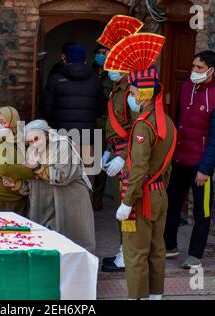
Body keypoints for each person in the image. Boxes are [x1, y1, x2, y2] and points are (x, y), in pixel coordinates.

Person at [106, 32, 176, 300]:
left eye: (134, 90)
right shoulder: (166, 122)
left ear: (145, 91)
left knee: (135, 254)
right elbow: (166, 167)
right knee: (157, 251)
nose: (132, 94)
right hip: (159, 194)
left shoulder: (143, 126)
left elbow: (138, 168)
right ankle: (156, 296)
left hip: (140, 197)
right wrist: (158, 189)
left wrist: (127, 200)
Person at [164, 50, 215, 269]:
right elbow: (177, 121)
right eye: (193, 66)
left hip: (201, 166)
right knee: (171, 203)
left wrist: (205, 168)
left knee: (202, 211)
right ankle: (169, 245)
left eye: (199, 68)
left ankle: (195, 255)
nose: (194, 71)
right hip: (180, 160)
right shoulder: (185, 89)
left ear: (211, 70)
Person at [2, 120, 96, 254]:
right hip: (48, 204)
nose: (34, 144)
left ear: (47, 135)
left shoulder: (62, 146)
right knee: (49, 246)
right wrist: (17, 184)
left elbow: (62, 177)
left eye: (36, 139)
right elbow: (36, 184)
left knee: (74, 244)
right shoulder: (32, 152)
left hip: (71, 202)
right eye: (29, 142)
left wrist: (36, 167)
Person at [95, 15, 144, 272]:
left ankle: (128, 255)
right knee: (120, 207)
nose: (108, 66)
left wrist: (123, 155)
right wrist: (107, 150)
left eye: (113, 62)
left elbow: (140, 129)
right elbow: (114, 125)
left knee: (128, 206)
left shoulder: (132, 91)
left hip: (129, 157)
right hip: (115, 152)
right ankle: (123, 249)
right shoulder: (117, 89)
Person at [39, 43, 107, 148]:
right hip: (87, 139)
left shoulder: (55, 80)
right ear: (84, 60)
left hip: (61, 137)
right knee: (87, 163)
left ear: (65, 60)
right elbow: (101, 109)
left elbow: (45, 109)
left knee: (62, 164)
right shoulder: (95, 81)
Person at [92, 44, 113, 211]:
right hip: (86, 122)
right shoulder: (88, 73)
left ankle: (97, 197)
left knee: (101, 163)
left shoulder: (112, 76)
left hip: (104, 124)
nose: (101, 56)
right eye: (98, 53)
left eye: (104, 53)